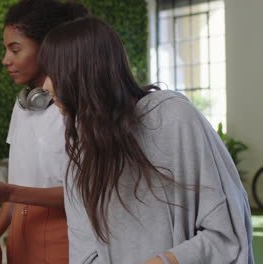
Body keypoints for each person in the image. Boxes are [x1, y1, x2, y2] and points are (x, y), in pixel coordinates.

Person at [38, 16, 254, 264]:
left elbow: (228, 233)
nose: (45, 86)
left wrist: (163, 261)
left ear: (80, 73)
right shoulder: (80, 153)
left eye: (52, 73)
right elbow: (84, 255)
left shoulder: (173, 118)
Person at [0, 1, 89, 263]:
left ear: (47, 48)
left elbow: (85, 194)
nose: (5, 59)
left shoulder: (80, 111)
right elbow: (17, 181)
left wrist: (11, 192)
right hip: (19, 235)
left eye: (15, 49)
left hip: (65, 237)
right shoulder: (23, 106)